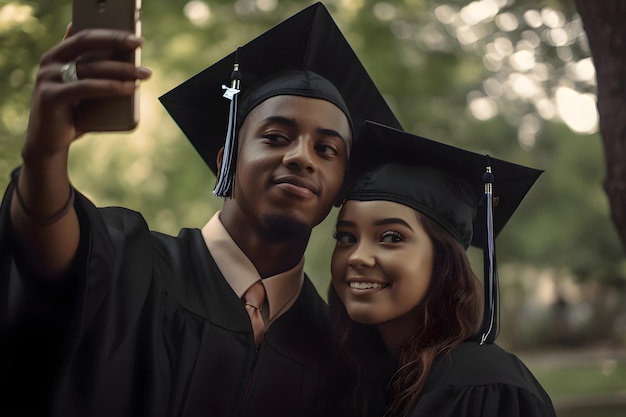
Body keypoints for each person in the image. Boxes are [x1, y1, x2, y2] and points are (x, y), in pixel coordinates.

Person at [0, 3, 402, 416]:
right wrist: (45, 153)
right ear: (226, 158)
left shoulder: (337, 357)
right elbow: (45, 242)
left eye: (326, 149)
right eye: (277, 137)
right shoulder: (126, 259)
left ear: (341, 188)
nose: (302, 158)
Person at [329, 121, 556, 417]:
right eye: (346, 237)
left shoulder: (485, 385)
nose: (357, 257)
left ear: (443, 260)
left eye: (391, 237)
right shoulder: (362, 377)